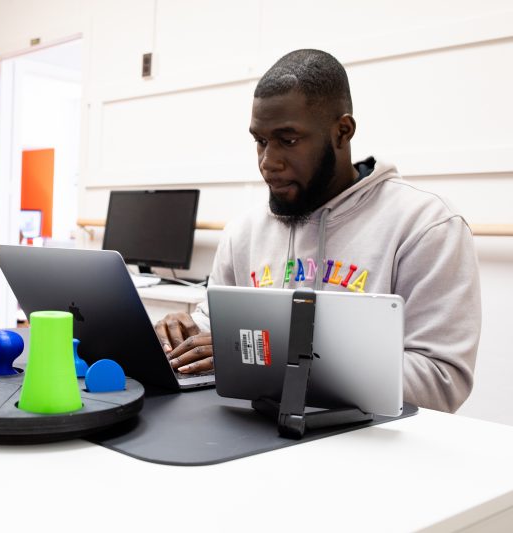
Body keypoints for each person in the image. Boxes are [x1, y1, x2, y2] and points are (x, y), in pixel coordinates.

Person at [153, 49, 481, 413]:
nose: (268, 162)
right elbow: (216, 330)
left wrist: (283, 361)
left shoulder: (426, 225)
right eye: (260, 141)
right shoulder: (244, 232)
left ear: (342, 132)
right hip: (251, 437)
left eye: (288, 140)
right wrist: (183, 333)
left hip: (371, 451)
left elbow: (441, 381)